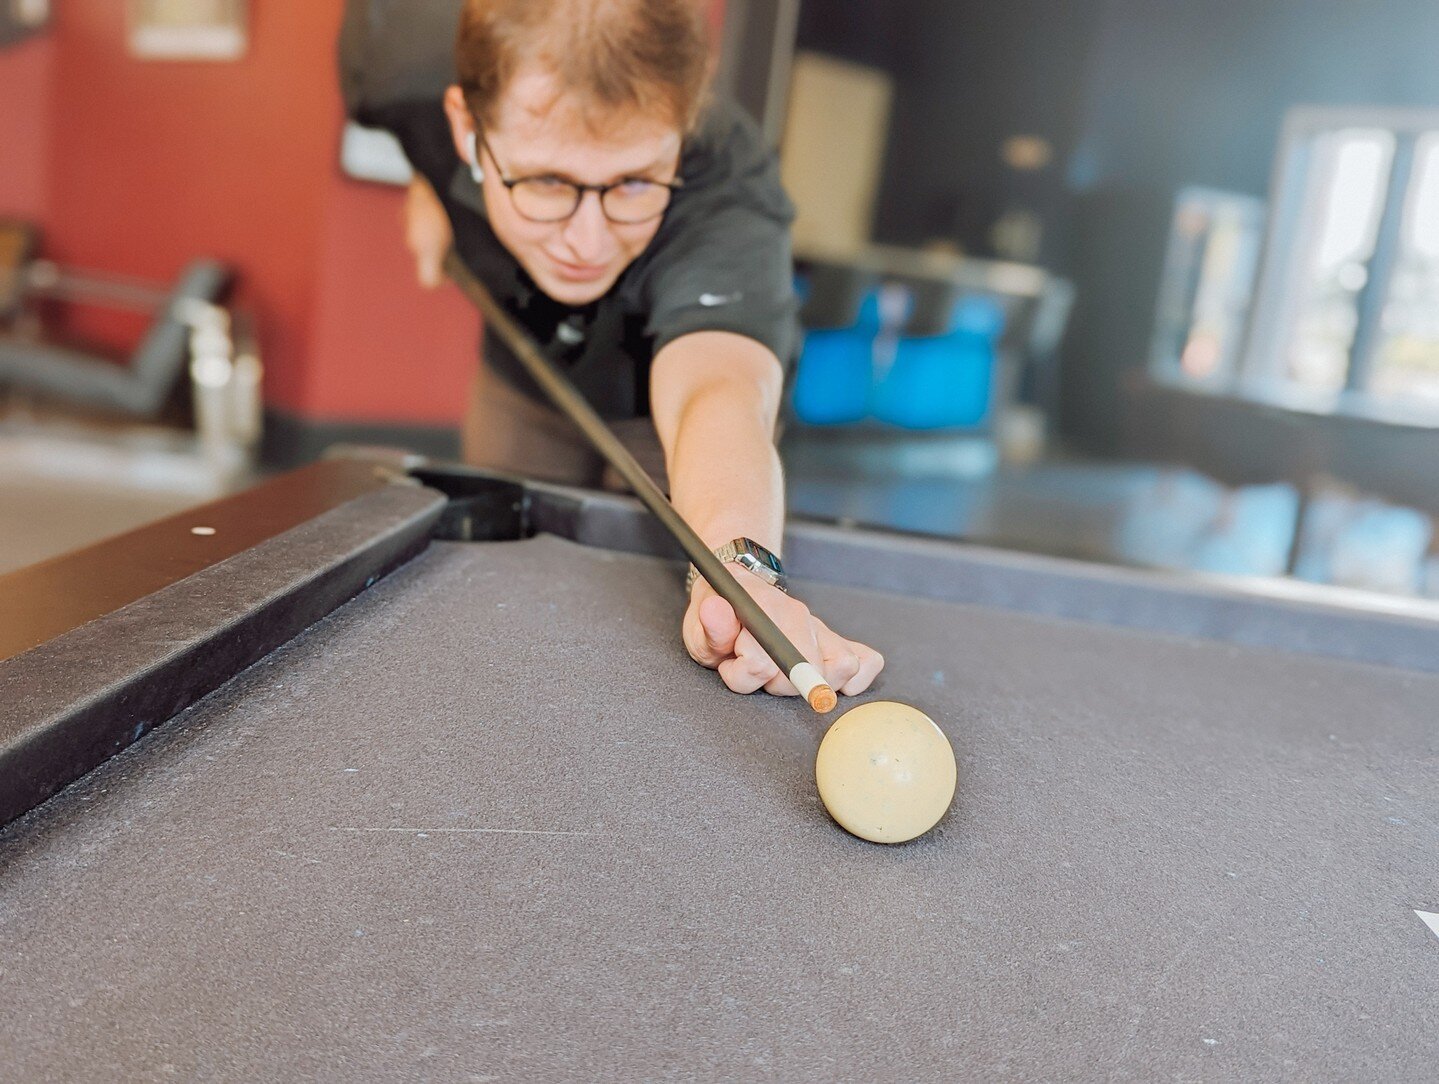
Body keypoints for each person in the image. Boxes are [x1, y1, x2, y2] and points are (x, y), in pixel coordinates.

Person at [345, 0, 883, 701]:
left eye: (633, 182)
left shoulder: (726, 179)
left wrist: (743, 568)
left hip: (659, 415)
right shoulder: (395, 58)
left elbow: (714, 389)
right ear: (464, 126)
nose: (587, 245)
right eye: (545, 182)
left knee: (667, 610)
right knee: (491, 585)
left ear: (680, 133)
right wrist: (430, 181)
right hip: (523, 379)